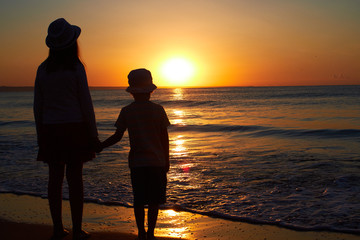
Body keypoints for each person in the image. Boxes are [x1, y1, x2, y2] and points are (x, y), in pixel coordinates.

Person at [33, 18, 100, 240]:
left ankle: (57, 227)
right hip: (75, 128)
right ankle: (78, 228)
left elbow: (38, 105)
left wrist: (40, 134)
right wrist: (93, 134)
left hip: (51, 129)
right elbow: (86, 103)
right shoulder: (76, 68)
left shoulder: (43, 70)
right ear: (73, 44)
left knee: (55, 179)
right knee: (75, 180)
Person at [100, 68, 170, 240]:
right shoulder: (158, 110)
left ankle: (141, 233)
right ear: (151, 90)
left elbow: (117, 136)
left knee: (139, 200)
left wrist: (100, 146)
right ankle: (151, 233)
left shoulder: (127, 111)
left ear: (131, 91)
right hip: (157, 162)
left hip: (137, 163)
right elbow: (164, 138)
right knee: (154, 201)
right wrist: (167, 160)